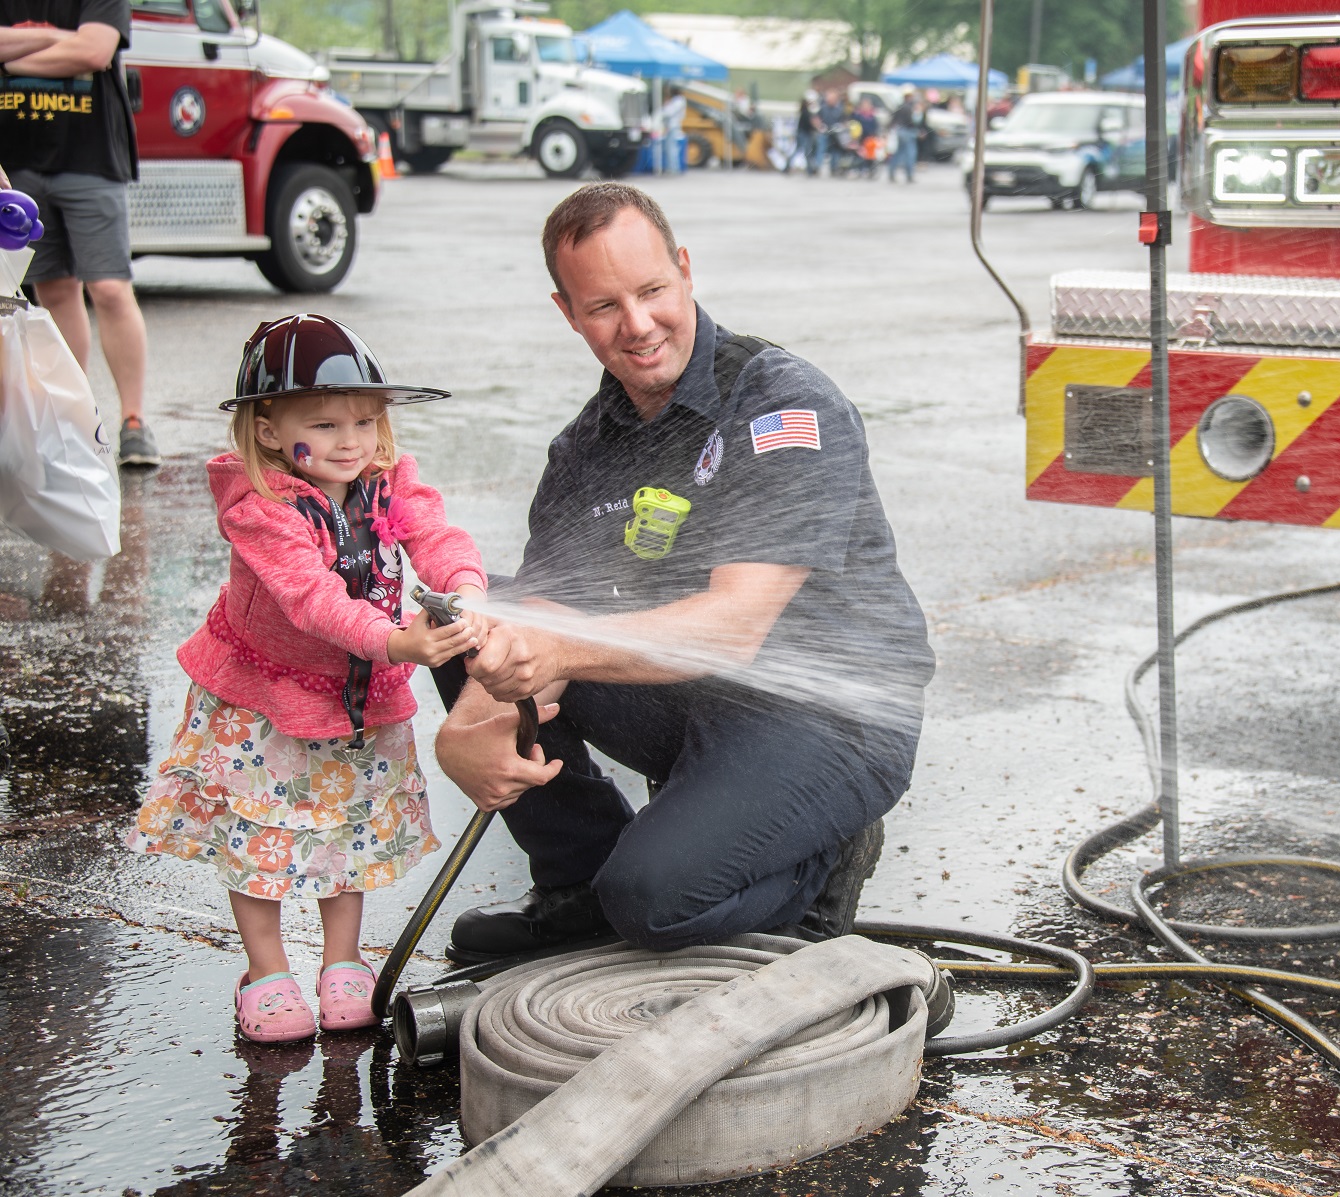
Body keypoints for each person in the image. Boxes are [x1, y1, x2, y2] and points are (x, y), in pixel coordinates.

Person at [435, 183, 933, 962]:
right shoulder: (584, 449)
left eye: (652, 290)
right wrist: (465, 729)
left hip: (828, 716)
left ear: (686, 270)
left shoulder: (779, 407)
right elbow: (536, 612)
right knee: (467, 619)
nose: (636, 325)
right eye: (603, 306)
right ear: (568, 312)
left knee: (655, 901)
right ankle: (578, 884)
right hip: (693, 693)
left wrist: (558, 651)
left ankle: (823, 854)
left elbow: (733, 626)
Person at [124, 314, 492, 1042]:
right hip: (266, 696)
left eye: (364, 419)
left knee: (346, 826)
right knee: (256, 834)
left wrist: (468, 589)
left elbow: (437, 537)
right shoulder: (262, 508)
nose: (350, 440)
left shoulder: (385, 482)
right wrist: (396, 641)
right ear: (266, 428)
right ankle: (265, 970)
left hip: (355, 697)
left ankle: (342, 961)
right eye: (323, 424)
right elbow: (313, 600)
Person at [0, 0, 158, 466]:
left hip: (91, 159)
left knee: (109, 287)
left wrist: (12, 55)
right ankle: (77, 419)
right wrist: (57, 38)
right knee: (54, 290)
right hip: (19, 162)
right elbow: (82, 46)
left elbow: (94, 50)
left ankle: (134, 421)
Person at [887, 91, 920, 184]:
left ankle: (891, 173)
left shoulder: (900, 106)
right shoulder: (909, 107)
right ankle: (909, 175)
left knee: (898, 154)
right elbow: (911, 121)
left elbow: (893, 119)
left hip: (899, 131)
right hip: (907, 132)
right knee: (910, 154)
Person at [818, 87, 848, 176]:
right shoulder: (823, 108)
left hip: (836, 132)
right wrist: (821, 126)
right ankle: (818, 167)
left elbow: (844, 120)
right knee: (822, 148)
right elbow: (818, 118)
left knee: (835, 150)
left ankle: (834, 168)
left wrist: (841, 126)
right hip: (825, 131)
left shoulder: (840, 109)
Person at [851, 95, 883, 178]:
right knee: (859, 154)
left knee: (871, 156)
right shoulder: (858, 116)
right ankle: (859, 169)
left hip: (869, 140)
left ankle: (870, 169)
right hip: (860, 139)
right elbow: (854, 126)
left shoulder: (872, 117)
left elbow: (875, 127)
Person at [659, 84, 687, 173]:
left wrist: (665, 106)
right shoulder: (677, 100)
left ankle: (673, 168)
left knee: (671, 148)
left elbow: (669, 112)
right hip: (671, 126)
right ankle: (671, 167)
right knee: (669, 148)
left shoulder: (679, 100)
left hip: (673, 126)